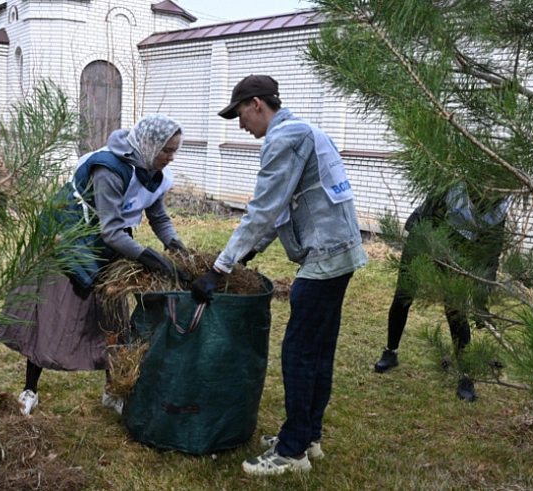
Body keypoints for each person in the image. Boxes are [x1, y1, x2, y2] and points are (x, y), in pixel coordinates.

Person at [191, 75, 368, 476]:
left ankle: (291, 452)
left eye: (239, 115)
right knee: (318, 350)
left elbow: (263, 207)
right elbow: (284, 204)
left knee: (299, 353)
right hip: (339, 252)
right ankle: (307, 435)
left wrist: (220, 268)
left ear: (256, 104)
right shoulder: (302, 131)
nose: (240, 126)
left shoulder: (283, 138)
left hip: (324, 257)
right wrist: (253, 248)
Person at [0, 114, 189, 415]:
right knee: (51, 316)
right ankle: (29, 390)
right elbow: (112, 231)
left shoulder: (153, 172)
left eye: (175, 150)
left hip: (105, 240)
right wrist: (152, 259)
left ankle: (113, 390)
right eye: (167, 150)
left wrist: (175, 245)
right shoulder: (109, 169)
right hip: (68, 237)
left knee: (112, 317)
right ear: (149, 144)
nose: (171, 157)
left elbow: (159, 216)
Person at [373, 181, 513, 402]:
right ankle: (391, 353)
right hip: (425, 233)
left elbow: (491, 253)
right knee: (403, 295)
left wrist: (482, 295)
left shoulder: (500, 205)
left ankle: (465, 376)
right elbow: (429, 210)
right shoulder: (454, 181)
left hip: (457, 247)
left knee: (455, 310)